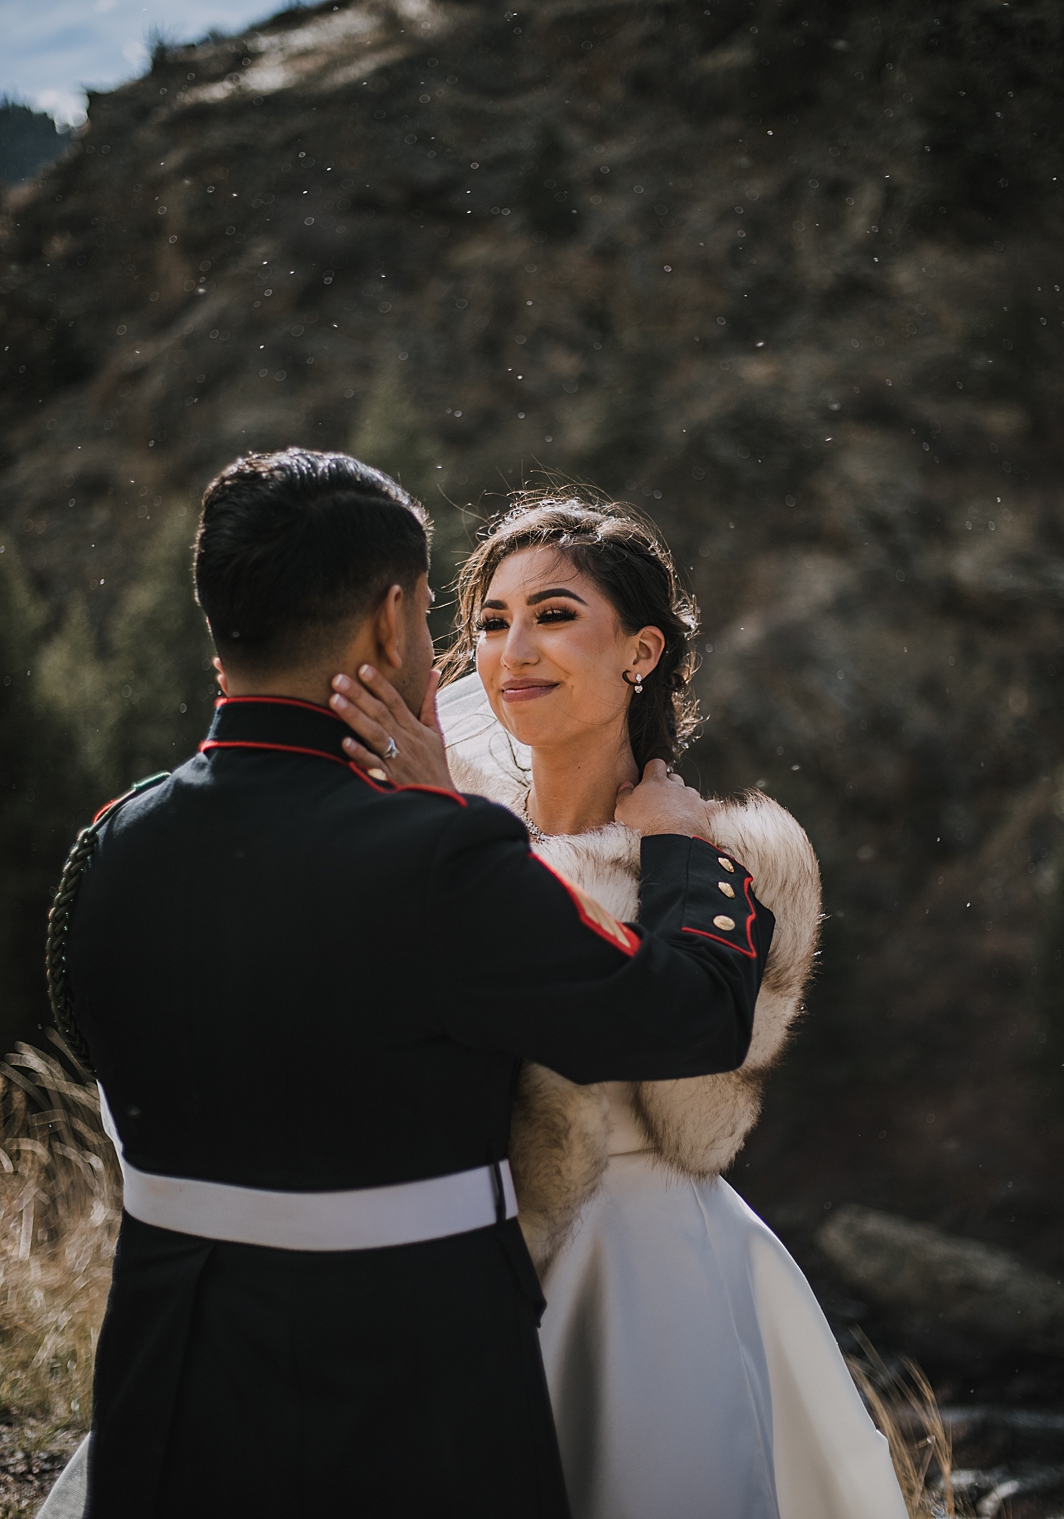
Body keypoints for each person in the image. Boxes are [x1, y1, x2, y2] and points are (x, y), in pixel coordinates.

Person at [46, 451, 773, 1519]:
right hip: (407, 1376)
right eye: (463, 617)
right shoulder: (441, 856)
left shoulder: (112, 841)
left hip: (172, 1356)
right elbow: (687, 1017)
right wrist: (678, 859)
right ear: (393, 623)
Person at [336, 491, 909, 1519]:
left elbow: (691, 1057)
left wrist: (655, 850)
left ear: (639, 652)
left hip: (645, 1269)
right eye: (493, 619)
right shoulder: (441, 825)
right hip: (454, 1260)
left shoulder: (726, 865)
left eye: (554, 614)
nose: (515, 648)